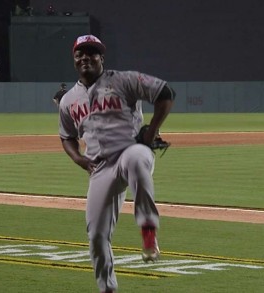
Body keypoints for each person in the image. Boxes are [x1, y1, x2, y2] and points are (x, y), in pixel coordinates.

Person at [58, 35, 175, 293]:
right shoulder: (68, 101)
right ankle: (107, 289)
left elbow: (165, 93)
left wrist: (152, 130)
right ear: (74, 59)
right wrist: (78, 158)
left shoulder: (122, 80)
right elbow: (66, 136)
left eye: (92, 53)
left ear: (102, 58)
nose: (86, 57)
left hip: (130, 152)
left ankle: (148, 231)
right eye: (80, 53)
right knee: (96, 237)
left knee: (136, 159)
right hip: (101, 169)